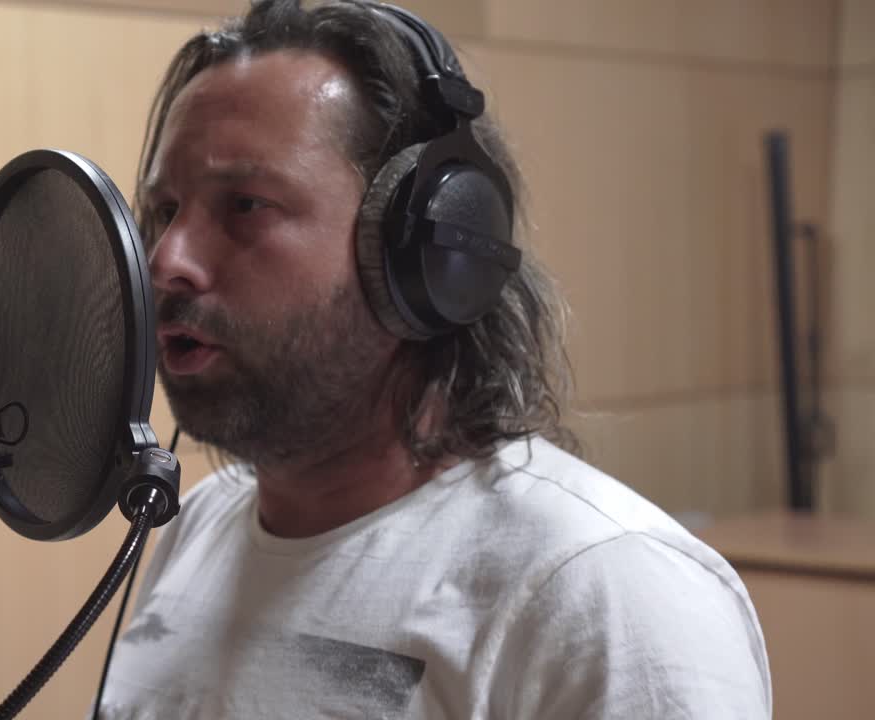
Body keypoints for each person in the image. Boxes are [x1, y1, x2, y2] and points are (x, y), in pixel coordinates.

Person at [99, 1, 771, 717]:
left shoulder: (607, 592)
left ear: (424, 251)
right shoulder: (195, 527)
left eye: (246, 205)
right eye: (165, 211)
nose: (166, 260)